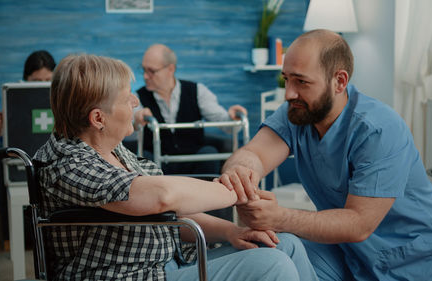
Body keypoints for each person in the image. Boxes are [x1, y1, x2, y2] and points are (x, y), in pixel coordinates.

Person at [33, 54, 318, 280]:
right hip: (130, 275)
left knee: (285, 244)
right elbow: (162, 197)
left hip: (171, 260)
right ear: (98, 118)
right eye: (126, 97)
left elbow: (171, 213)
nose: (136, 101)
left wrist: (232, 232)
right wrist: (240, 192)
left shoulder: (115, 151)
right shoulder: (67, 164)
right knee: (271, 265)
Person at [219, 29, 432, 281]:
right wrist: (240, 171)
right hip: (347, 251)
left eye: (301, 82)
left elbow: (358, 223)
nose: (289, 93)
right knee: (275, 250)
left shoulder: (379, 129)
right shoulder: (296, 112)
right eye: (286, 79)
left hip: (413, 258)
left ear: (339, 81)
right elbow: (255, 154)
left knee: (282, 234)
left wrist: (280, 217)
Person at [133, 44, 247, 175]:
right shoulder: (137, 98)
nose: (146, 77)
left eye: (151, 71)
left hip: (193, 162)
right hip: (159, 165)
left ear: (170, 69)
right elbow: (129, 131)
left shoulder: (197, 91)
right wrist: (137, 123)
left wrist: (233, 117)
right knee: (144, 157)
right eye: (144, 70)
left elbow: (226, 125)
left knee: (209, 153)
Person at [0, 50, 56, 137]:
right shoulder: (17, 97)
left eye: (48, 80)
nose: (42, 85)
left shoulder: (62, 97)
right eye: (36, 81)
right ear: (25, 79)